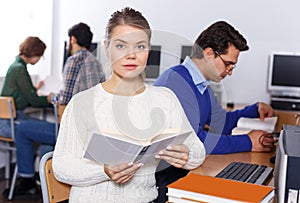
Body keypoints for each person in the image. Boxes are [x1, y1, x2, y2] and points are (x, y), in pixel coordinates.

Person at [52, 7, 206, 203]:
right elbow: (61, 167)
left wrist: (187, 156)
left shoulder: (164, 99)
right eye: (121, 46)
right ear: (107, 47)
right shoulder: (82, 102)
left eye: (140, 46)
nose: (131, 55)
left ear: (148, 50)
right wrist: (103, 171)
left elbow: (198, 151)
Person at [153, 21, 275, 202]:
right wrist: (248, 142)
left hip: (181, 170)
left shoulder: (201, 85)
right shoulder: (177, 81)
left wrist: (252, 110)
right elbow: (195, 141)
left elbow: (221, 123)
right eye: (228, 64)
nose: (230, 71)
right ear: (209, 54)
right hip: (163, 180)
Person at [3, 23, 106, 198]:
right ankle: (46, 186)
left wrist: (53, 97)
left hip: (72, 131)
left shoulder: (74, 61)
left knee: (21, 129)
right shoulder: (97, 63)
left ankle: (29, 181)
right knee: (46, 143)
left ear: (72, 40)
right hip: (92, 129)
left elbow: (65, 97)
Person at [0, 36, 52, 137]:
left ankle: (42, 153)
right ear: (34, 54)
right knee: (51, 130)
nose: (39, 59)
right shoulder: (20, 70)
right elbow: (33, 100)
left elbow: (20, 94)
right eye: (40, 56)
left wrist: (35, 89)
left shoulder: (16, 66)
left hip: (7, 121)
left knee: (47, 128)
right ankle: (44, 153)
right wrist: (49, 99)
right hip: (9, 124)